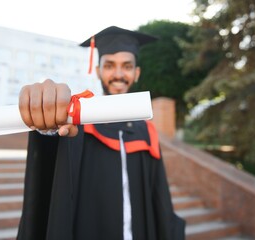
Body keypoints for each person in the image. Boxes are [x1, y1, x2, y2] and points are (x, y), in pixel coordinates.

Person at [17, 26, 185, 240]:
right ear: (98, 71)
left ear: (136, 73)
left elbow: (159, 197)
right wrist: (47, 127)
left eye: (126, 66)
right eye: (109, 66)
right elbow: (55, 181)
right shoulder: (81, 123)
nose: (118, 74)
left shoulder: (146, 131)